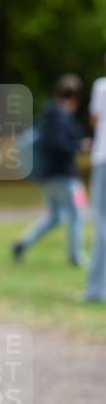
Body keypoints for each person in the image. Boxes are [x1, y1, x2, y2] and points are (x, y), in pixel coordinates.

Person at [13, 74, 87, 267]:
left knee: (54, 216)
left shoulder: (48, 114)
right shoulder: (61, 117)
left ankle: (23, 242)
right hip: (65, 177)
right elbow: (59, 144)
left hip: (49, 177)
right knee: (78, 213)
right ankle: (76, 256)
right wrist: (78, 145)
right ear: (76, 97)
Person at [85, 61, 106, 302]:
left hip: (103, 159)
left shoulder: (101, 86)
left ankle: (96, 289)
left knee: (101, 224)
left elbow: (95, 120)